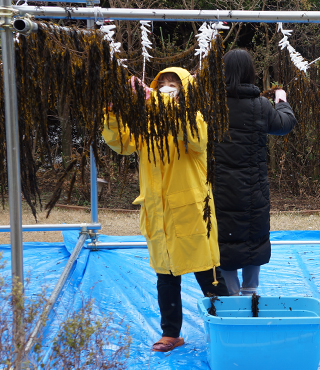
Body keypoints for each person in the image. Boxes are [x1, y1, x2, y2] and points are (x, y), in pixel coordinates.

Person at [102, 67, 230, 352]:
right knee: (165, 277)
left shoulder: (192, 118)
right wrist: (112, 112)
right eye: (161, 84)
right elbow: (121, 143)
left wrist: (156, 102)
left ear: (184, 90)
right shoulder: (145, 124)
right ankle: (171, 332)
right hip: (158, 213)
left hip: (192, 214)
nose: (166, 88)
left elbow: (197, 140)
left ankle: (231, 324)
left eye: (173, 84)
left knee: (208, 275)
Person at [213, 48, 297, 296]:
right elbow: (284, 125)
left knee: (224, 240)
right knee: (253, 236)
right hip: (253, 188)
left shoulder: (211, 105)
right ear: (251, 72)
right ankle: (250, 291)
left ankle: (231, 294)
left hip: (219, 188)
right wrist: (282, 101)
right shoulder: (260, 105)